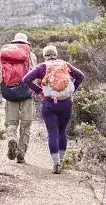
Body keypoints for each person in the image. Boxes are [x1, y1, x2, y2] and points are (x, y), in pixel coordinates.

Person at [22, 44, 85, 173]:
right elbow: (81, 76)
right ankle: (61, 162)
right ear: (56, 54)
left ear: (44, 56)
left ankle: (55, 164)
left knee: (52, 132)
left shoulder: (41, 67)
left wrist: (39, 91)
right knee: (62, 132)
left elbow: (26, 79)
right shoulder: (65, 64)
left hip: (49, 104)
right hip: (66, 103)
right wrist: (72, 89)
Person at [0, 32, 37, 163]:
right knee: (26, 125)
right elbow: (34, 74)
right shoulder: (31, 55)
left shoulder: (6, 55)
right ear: (27, 43)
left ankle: (11, 138)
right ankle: (21, 154)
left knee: (11, 122)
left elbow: (1, 76)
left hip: (10, 93)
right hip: (27, 93)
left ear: (14, 42)